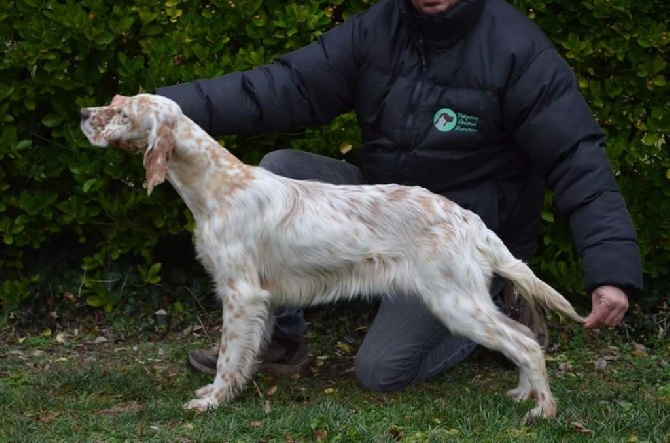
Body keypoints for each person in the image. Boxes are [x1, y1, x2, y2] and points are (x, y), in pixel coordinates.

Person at [114, 0, 642, 392]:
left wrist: (610, 269)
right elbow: (281, 86)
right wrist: (163, 106)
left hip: (452, 230)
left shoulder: (517, 48)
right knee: (278, 170)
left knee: (381, 372)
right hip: (381, 204)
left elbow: (578, 159)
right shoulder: (377, 27)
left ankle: (500, 303)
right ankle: (278, 337)